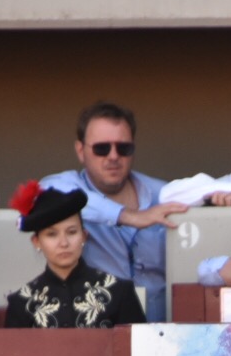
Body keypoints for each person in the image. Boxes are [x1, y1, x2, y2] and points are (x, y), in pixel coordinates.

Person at [39, 101, 188, 323]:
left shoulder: (162, 194)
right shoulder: (66, 188)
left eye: (123, 148)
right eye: (101, 148)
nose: (113, 156)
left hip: (163, 333)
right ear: (81, 151)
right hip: (98, 332)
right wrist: (128, 216)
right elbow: (44, 192)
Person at [4, 182, 146, 327]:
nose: (64, 243)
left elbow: (139, 348)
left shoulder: (119, 292)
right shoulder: (22, 302)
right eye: (51, 234)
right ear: (37, 242)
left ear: (84, 236)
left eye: (71, 232)